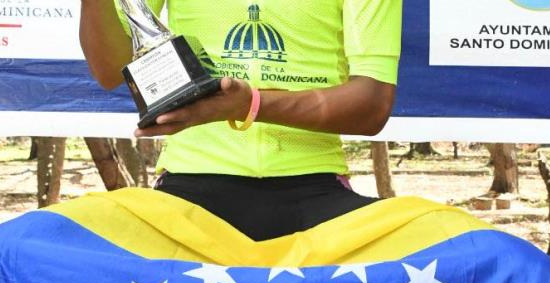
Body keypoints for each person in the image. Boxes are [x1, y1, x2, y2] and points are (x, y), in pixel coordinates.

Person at [79, 0, 402, 240]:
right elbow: (110, 70)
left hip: (315, 185)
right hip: (189, 181)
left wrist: (250, 104)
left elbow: (371, 105)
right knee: (36, 241)